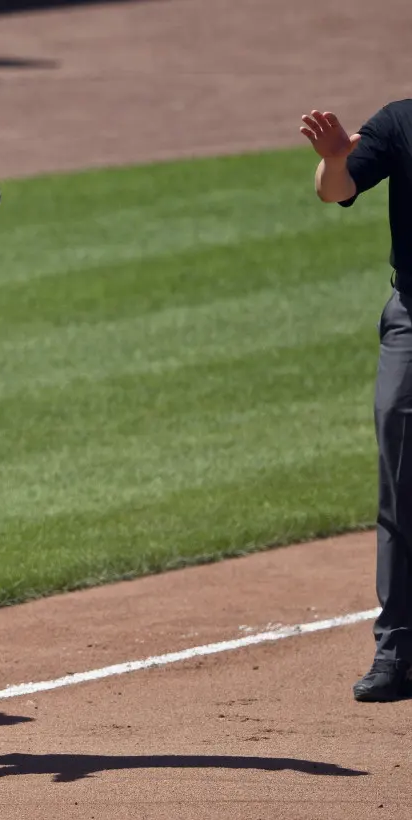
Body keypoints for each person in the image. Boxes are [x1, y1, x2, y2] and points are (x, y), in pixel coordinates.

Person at [301, 104, 412, 703]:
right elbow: (333, 189)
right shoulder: (401, 122)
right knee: (399, 486)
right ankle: (396, 648)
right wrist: (335, 159)